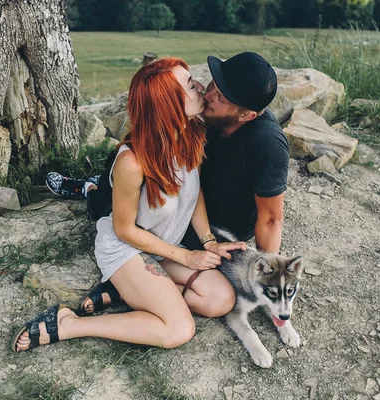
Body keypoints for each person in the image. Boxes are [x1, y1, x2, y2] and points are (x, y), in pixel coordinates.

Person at [12, 58, 246, 353]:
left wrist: (208, 242)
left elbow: (193, 193)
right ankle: (69, 323)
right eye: (190, 84)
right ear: (168, 104)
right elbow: (124, 230)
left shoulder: (190, 133)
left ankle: (126, 291)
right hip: (128, 248)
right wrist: (187, 258)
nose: (201, 87)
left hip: (160, 248)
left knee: (221, 299)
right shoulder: (131, 162)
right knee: (179, 329)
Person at [47, 52, 289, 314]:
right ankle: (91, 189)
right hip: (157, 210)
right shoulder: (200, 117)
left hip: (191, 216)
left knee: (219, 298)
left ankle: (129, 289)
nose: (207, 95)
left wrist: (265, 275)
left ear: (246, 116)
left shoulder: (265, 143)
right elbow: (126, 222)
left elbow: (271, 219)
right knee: (114, 190)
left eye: (220, 97)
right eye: (212, 85)